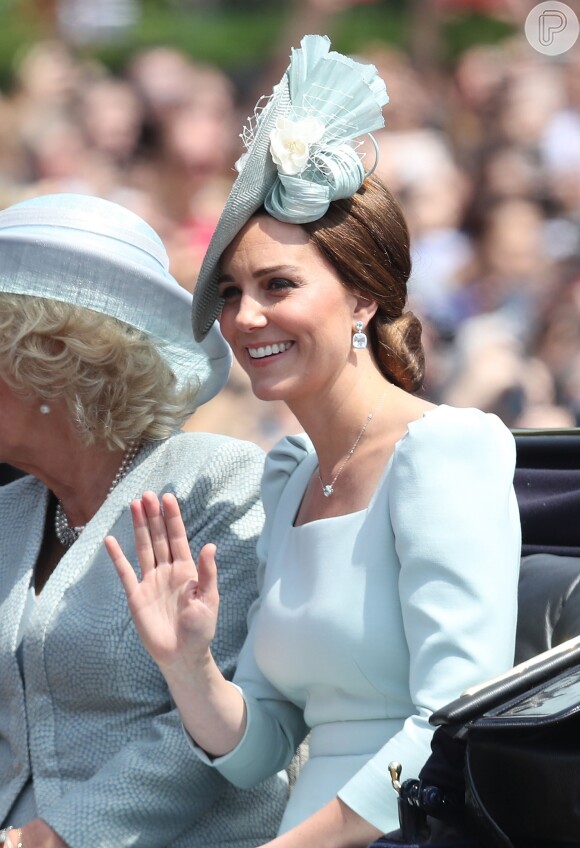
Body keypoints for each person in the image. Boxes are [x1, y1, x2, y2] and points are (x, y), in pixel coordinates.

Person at [107, 35, 522, 847]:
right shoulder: (291, 474)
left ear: (364, 298)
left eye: (278, 285)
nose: (244, 318)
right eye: (231, 291)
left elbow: (452, 721)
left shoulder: (446, 450)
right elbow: (262, 744)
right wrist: (187, 664)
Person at [0, 193, 288, 847]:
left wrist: (60, 836)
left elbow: (233, 714)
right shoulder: (8, 516)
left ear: (48, 362)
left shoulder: (215, 482)